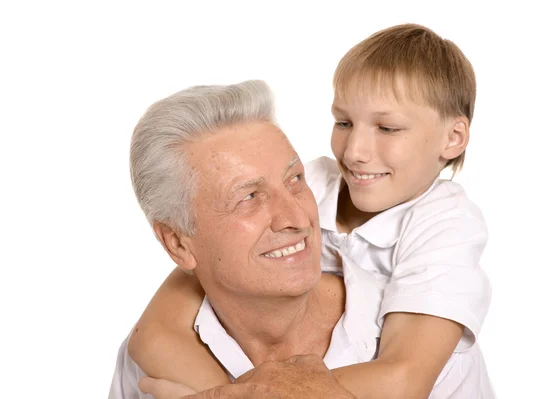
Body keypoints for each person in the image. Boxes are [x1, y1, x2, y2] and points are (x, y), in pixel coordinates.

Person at [123, 23, 495, 399]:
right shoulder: (318, 182)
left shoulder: (448, 226)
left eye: (387, 127)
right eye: (343, 122)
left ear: (454, 138)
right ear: (177, 243)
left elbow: (404, 379)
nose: (354, 152)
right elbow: (156, 329)